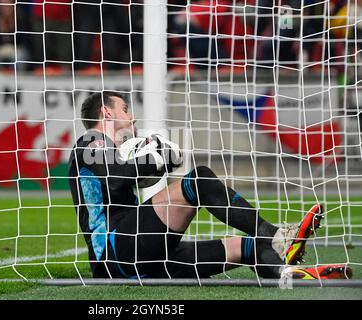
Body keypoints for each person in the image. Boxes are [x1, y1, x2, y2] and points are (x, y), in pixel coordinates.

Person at [68, 91, 353, 280]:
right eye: (125, 109)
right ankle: (278, 236)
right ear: (106, 113)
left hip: (140, 257)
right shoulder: (92, 140)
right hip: (115, 252)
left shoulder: (109, 150)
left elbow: (133, 173)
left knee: (247, 248)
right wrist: (157, 155)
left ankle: (292, 275)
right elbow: (121, 175)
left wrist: (162, 157)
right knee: (199, 179)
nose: (132, 117)